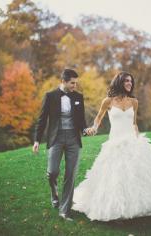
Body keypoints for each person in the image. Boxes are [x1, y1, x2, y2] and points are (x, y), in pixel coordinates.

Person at [72, 71, 151, 221]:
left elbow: (134, 123)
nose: (129, 84)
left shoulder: (134, 102)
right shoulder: (108, 101)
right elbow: (98, 118)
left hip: (133, 143)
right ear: (119, 83)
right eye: (126, 81)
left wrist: (137, 139)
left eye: (131, 81)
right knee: (115, 176)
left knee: (138, 174)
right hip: (115, 143)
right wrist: (94, 128)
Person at [32, 68, 93, 221]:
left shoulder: (78, 97)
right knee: (52, 172)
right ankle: (54, 193)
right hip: (56, 138)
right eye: (72, 83)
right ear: (63, 81)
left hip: (73, 138)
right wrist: (37, 140)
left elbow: (81, 120)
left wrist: (86, 131)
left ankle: (64, 210)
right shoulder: (50, 96)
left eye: (76, 83)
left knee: (70, 174)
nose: (75, 86)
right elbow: (42, 119)